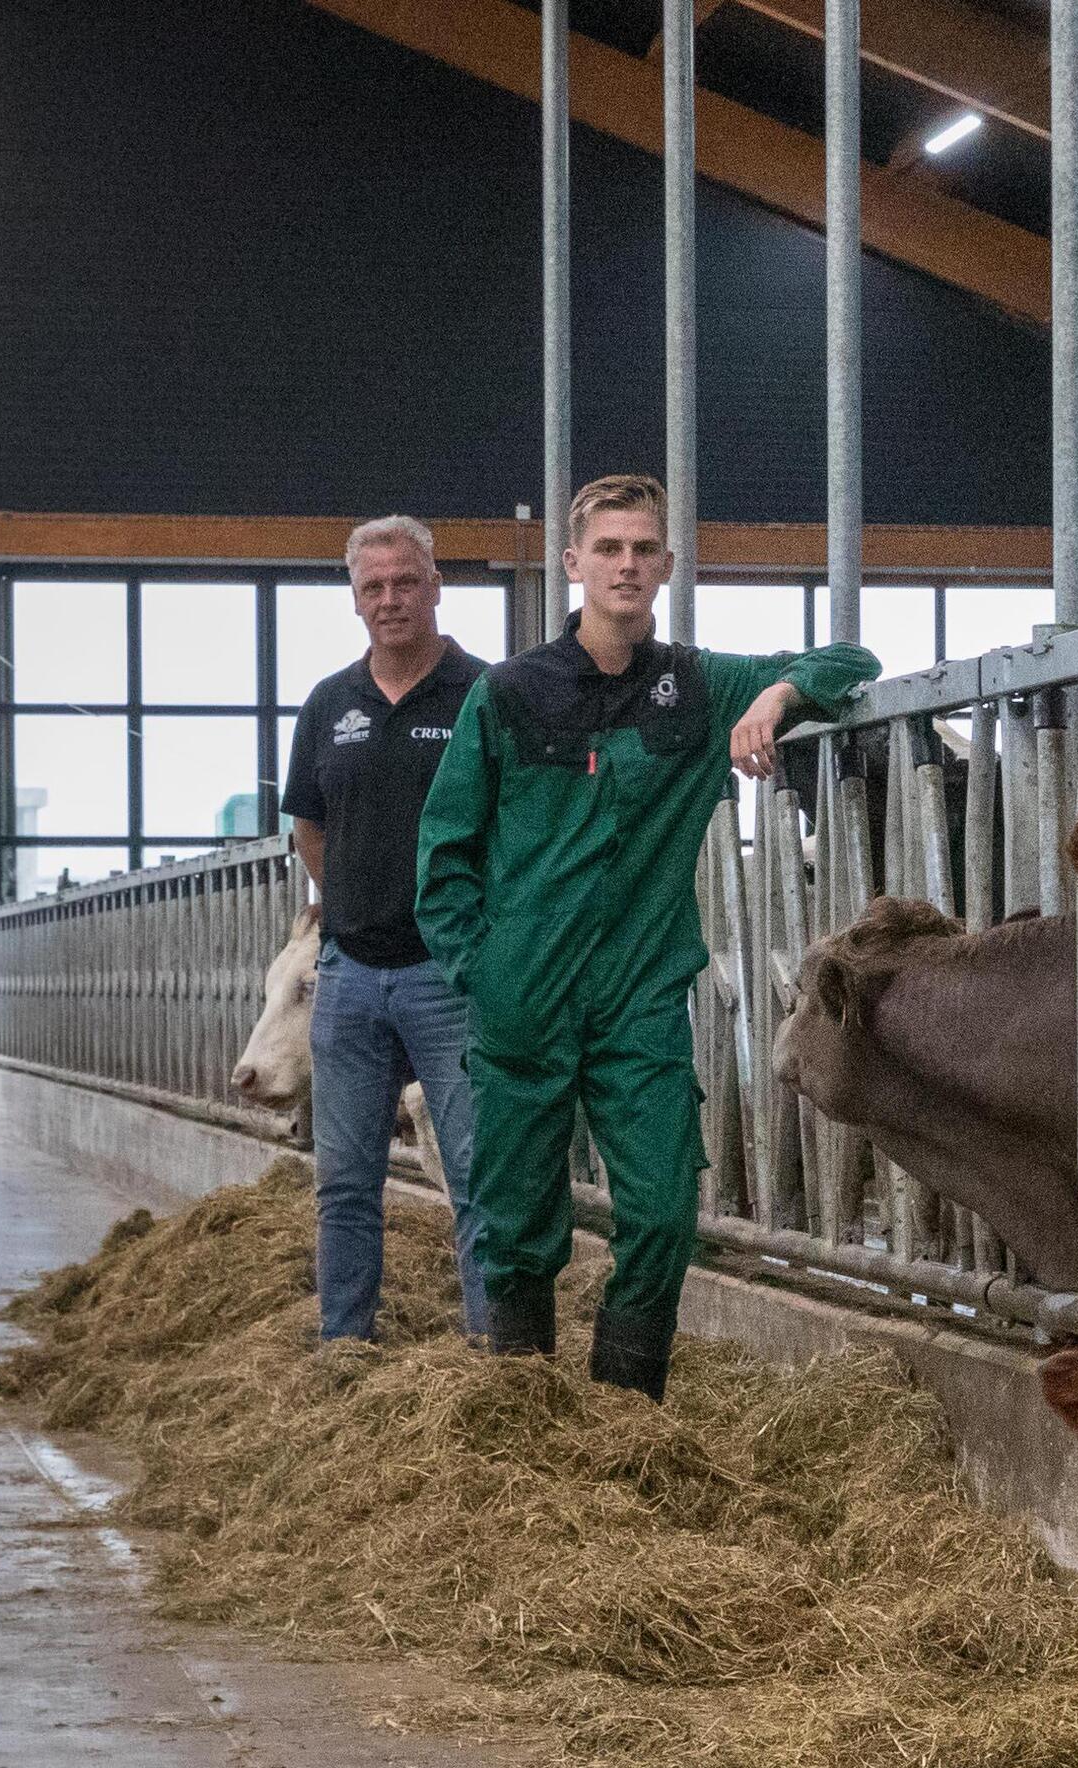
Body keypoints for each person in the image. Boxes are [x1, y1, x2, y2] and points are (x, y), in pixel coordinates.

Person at [415, 474, 878, 1399]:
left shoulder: (697, 688)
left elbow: (851, 659)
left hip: (639, 999)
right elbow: (444, 855)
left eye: (645, 550)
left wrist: (781, 693)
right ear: (573, 562)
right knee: (515, 1222)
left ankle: (628, 1415)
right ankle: (520, 1416)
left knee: (665, 1211)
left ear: (666, 566)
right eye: (610, 549)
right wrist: (488, 969)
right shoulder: (508, 694)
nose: (627, 566)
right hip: (524, 1000)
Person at [283, 515, 491, 1342]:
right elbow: (310, 825)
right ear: (355, 599)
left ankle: (494, 1357)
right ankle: (344, 1348)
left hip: (450, 975)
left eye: (407, 582)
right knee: (344, 1180)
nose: (392, 599)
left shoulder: (483, 693)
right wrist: (351, 907)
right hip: (351, 976)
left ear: (436, 586)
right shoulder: (330, 704)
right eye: (374, 587)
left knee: (478, 1174)